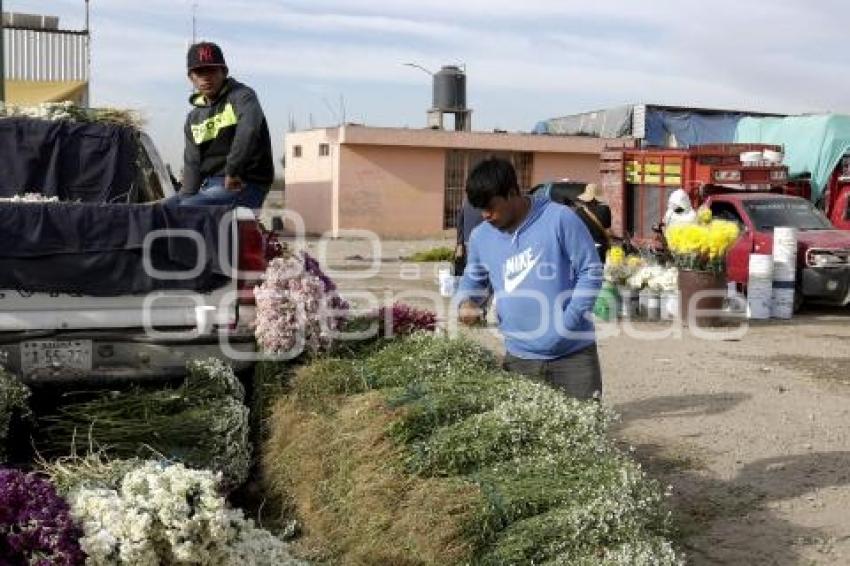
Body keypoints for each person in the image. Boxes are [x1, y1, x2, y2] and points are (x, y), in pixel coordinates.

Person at [456, 158, 604, 401]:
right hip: (519, 359)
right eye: (480, 209)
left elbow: (591, 271)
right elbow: (473, 280)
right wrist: (466, 303)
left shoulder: (559, 219)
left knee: (585, 431)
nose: (486, 216)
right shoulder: (482, 236)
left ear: (512, 193)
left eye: (491, 207)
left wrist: (567, 323)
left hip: (573, 357)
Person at [178, 42, 274, 208]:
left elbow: (248, 130)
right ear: (191, 78)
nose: (206, 77)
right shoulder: (193, 118)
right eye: (200, 72)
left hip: (242, 183)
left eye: (212, 70)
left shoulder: (243, 97)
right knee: (162, 210)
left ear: (224, 72)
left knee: (186, 209)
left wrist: (233, 170)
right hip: (209, 187)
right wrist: (184, 196)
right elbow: (192, 165)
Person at [572, 183, 612, 260]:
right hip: (601, 247)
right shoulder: (605, 209)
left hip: (584, 247)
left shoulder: (578, 212)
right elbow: (607, 227)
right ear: (597, 197)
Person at [453, 197, 485, 276]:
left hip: (468, 240)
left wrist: (459, 242)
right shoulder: (485, 202)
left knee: (471, 264)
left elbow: (459, 222)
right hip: (483, 240)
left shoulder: (465, 202)